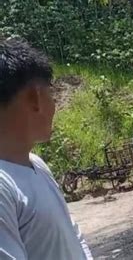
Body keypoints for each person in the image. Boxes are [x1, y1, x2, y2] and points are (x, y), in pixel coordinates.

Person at [0, 38, 93, 259]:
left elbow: (73, 234)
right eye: (52, 94)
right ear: (35, 97)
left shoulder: (36, 164)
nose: (55, 105)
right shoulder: (3, 185)